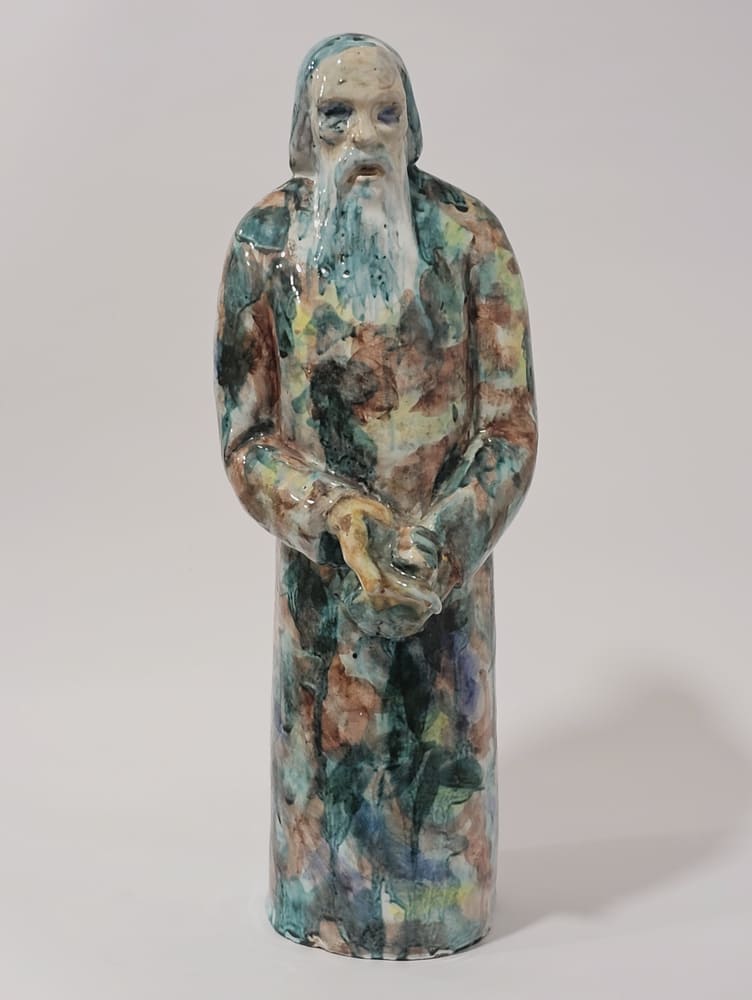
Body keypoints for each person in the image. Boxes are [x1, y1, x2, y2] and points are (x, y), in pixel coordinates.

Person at [215, 33, 537, 959]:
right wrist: (340, 517)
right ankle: (319, 903)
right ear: (302, 132)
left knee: (439, 793)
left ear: (413, 130)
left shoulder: (471, 240)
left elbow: (508, 430)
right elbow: (247, 439)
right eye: (337, 115)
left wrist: (445, 536)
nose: (363, 137)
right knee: (327, 814)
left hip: (446, 592)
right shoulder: (263, 249)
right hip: (324, 604)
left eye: (384, 115)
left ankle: (443, 907)